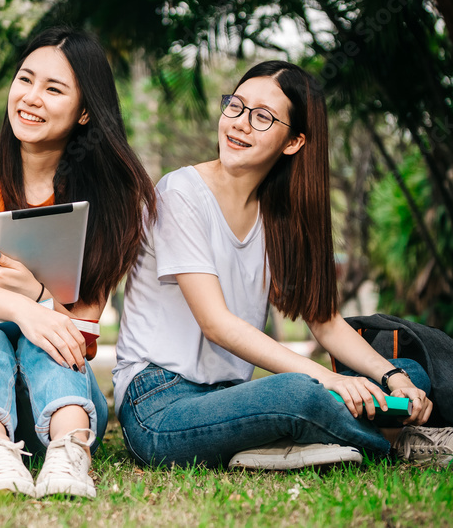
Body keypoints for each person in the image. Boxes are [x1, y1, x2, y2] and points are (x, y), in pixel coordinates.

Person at [113, 60, 453, 470]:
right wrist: (326, 377)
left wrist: (391, 378)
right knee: (298, 394)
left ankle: (302, 444)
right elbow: (216, 324)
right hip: (158, 405)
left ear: (293, 143)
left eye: (262, 117)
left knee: (410, 371)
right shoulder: (180, 191)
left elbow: (325, 322)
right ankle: (406, 445)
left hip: (229, 399)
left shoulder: (282, 216)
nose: (239, 123)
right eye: (235, 106)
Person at [0, 27, 156, 499]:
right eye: (25, 80)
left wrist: (41, 297)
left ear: (85, 112)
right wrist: (24, 309)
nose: (31, 98)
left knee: (47, 342)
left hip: (66, 399)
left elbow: (77, 335)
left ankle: (70, 455)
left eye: (54, 89)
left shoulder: (107, 201)